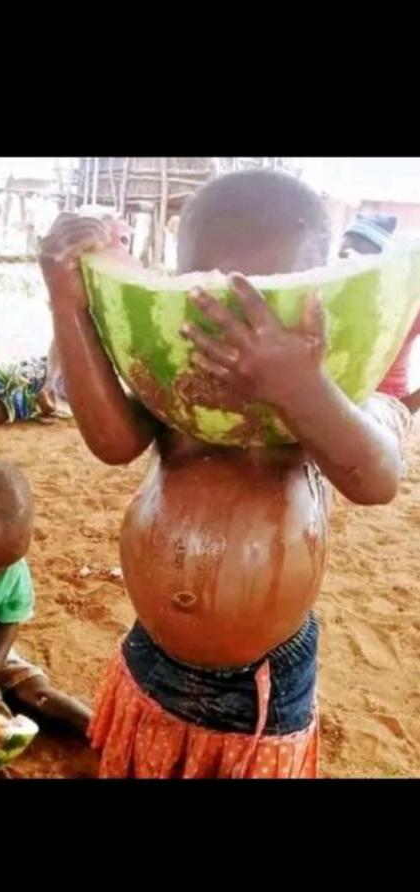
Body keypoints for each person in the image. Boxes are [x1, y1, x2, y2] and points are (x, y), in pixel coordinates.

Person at [39, 174, 409, 779]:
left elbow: (376, 480)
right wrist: (66, 303)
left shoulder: (330, 389)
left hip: (254, 689)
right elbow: (113, 443)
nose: (238, 327)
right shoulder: (177, 373)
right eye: (209, 293)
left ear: (321, 289)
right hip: (151, 656)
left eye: (267, 299)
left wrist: (301, 387)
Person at [0, 458, 91, 760]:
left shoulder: (5, 564)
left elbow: (8, 618)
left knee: (36, 690)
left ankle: (96, 727)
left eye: (1, 569)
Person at [339, 212, 420, 412]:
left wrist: (403, 408)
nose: (349, 260)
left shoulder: (406, 300)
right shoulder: (324, 296)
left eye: (361, 256)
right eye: (342, 255)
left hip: (383, 403)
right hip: (332, 402)